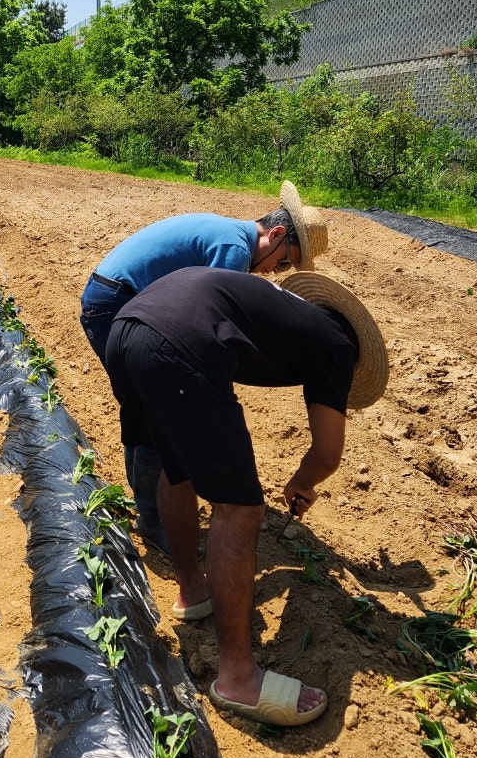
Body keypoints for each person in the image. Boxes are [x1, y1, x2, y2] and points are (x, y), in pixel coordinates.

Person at [105, 266, 388, 728]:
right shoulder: (337, 345)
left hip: (130, 326)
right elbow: (327, 451)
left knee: (178, 471)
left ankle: (193, 589)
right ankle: (237, 677)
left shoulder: (289, 313)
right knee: (240, 509)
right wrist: (302, 482)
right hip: (178, 342)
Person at [80, 181, 327, 551]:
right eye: (285, 259)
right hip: (117, 303)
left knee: (146, 412)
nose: (278, 271)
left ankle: (151, 510)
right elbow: (209, 326)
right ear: (275, 234)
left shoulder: (230, 234)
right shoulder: (232, 250)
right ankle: (156, 521)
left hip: (112, 297)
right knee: (157, 417)